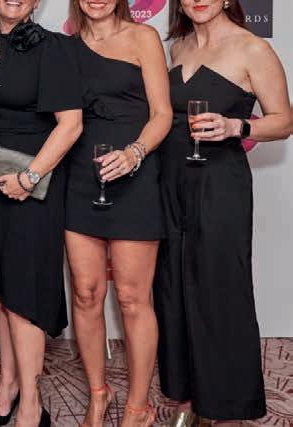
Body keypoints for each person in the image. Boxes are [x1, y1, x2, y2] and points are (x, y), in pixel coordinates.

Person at [157, 1, 291, 426]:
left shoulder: (252, 48)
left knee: (221, 290)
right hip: (169, 181)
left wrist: (238, 127)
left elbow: (284, 121)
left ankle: (228, 408)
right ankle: (186, 400)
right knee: (172, 289)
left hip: (220, 183)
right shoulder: (177, 47)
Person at [0, 1, 83, 426]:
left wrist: (29, 178)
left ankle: (31, 402)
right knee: (0, 289)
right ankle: (7, 386)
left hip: (34, 181)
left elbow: (71, 124)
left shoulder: (55, 48)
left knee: (23, 292)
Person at [63, 1, 172, 426]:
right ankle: (98, 393)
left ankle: (138, 407)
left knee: (132, 298)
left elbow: (162, 114)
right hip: (81, 178)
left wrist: (134, 154)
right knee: (86, 293)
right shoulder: (66, 48)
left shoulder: (144, 37)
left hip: (135, 176)